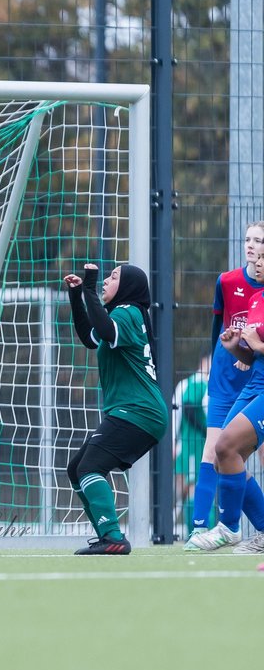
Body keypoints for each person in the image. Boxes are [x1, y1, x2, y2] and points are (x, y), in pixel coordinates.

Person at [63, 262, 168, 554]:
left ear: (128, 287)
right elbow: (91, 337)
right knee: (77, 469)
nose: (108, 280)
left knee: (88, 467)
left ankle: (113, 538)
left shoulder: (128, 312)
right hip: (135, 411)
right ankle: (107, 537)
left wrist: (89, 286)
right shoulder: (122, 316)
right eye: (107, 276)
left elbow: (105, 330)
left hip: (139, 411)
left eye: (113, 277)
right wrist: (77, 296)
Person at [184, 221, 264, 547]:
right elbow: (243, 343)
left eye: (260, 244)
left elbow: (258, 347)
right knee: (221, 451)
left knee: (226, 448)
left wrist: (255, 349)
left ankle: (226, 528)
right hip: (247, 384)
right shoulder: (252, 296)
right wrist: (235, 348)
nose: (254, 252)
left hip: (256, 385)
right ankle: (218, 527)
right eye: (249, 242)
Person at [173, 355, 211, 539]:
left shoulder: (200, 384)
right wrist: (206, 432)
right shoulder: (195, 383)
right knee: (192, 488)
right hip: (193, 445)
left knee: (195, 488)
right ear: (202, 362)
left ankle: (200, 531)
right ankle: (197, 532)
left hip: (196, 445)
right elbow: (187, 409)